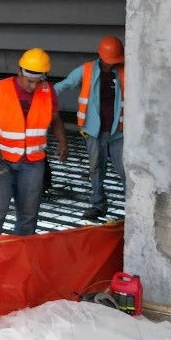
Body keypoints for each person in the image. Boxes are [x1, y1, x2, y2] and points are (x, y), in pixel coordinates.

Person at [0, 48, 69, 241]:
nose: (33, 86)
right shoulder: (1, 88)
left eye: (38, 81)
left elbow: (56, 119)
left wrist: (63, 142)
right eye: (29, 81)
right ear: (20, 71)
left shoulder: (48, 90)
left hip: (33, 163)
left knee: (28, 214)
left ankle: (22, 254)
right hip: (1, 160)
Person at [55, 35, 126, 218]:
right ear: (100, 56)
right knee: (95, 168)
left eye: (115, 61)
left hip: (119, 131)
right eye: (109, 61)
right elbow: (66, 84)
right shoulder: (86, 70)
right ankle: (98, 204)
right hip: (94, 131)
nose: (112, 64)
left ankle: (134, 205)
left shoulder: (125, 71)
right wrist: (43, 95)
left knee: (125, 170)